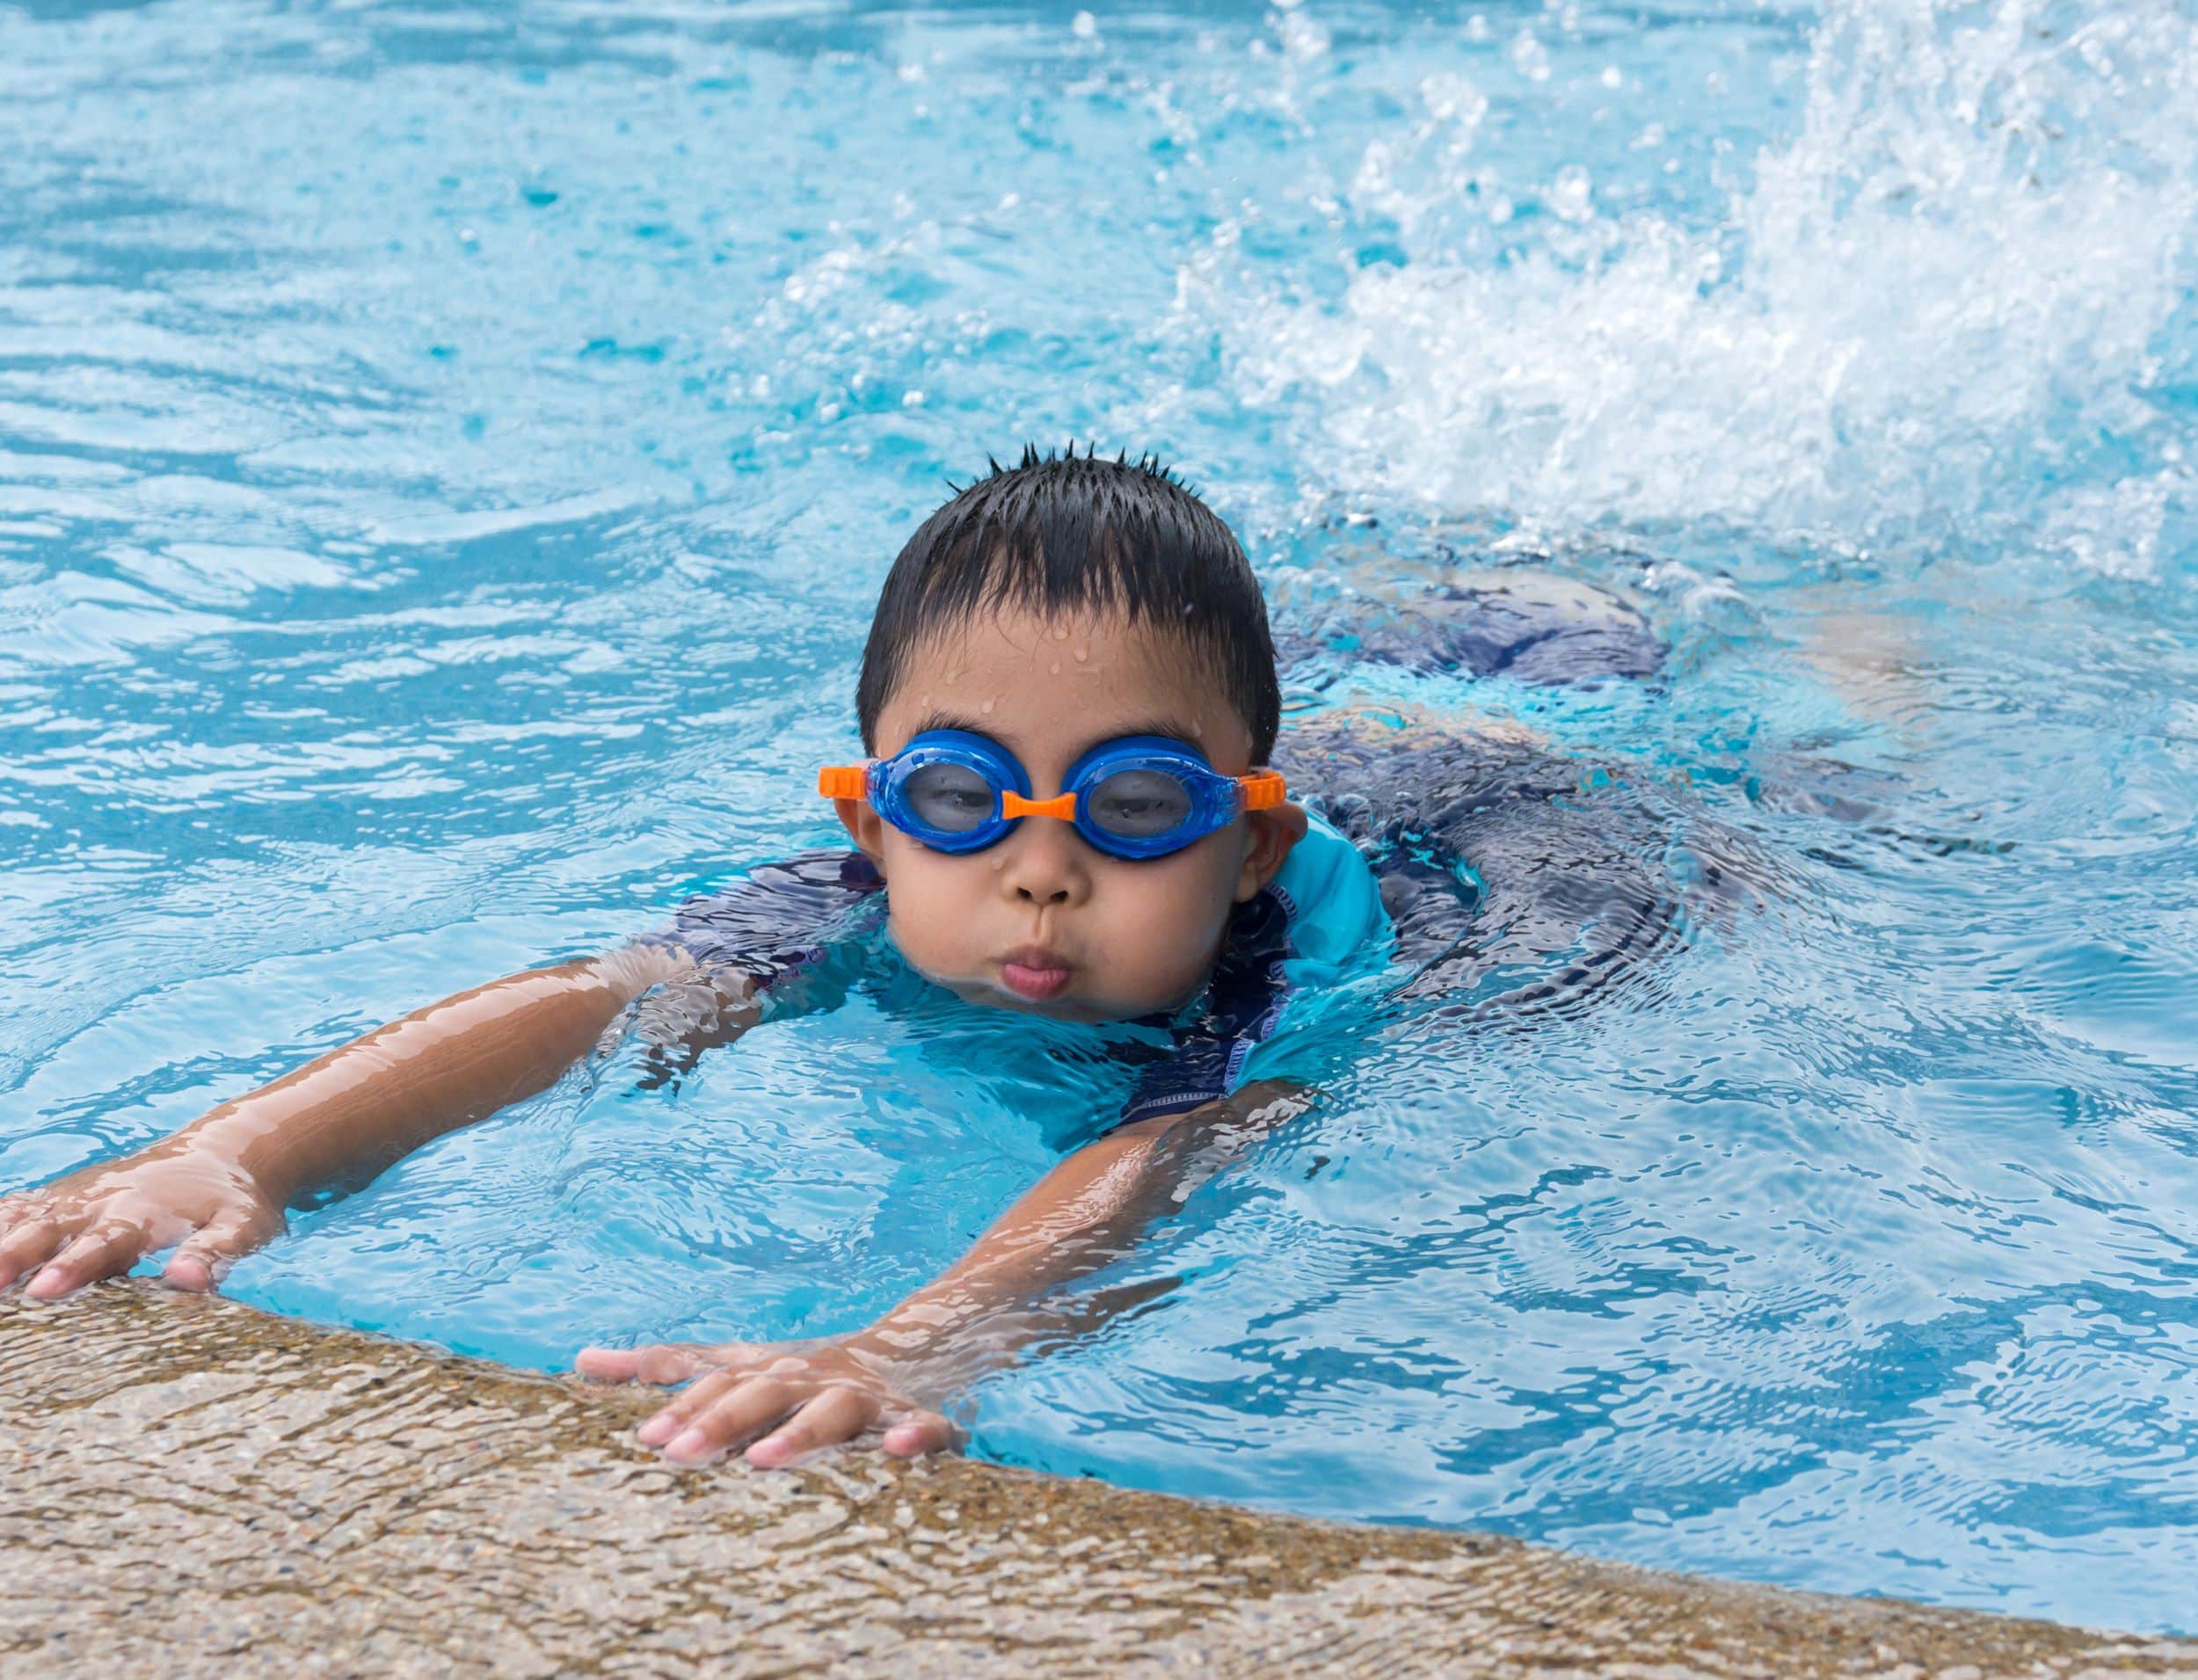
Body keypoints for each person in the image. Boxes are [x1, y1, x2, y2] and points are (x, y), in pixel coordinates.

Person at [0, 448, 1691, 1469]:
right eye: (964, 795)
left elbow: (1149, 1158)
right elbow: (602, 999)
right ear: (874, 826)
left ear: (1244, 843)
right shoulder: (857, 894)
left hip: (1513, 815)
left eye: (1136, 804)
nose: (1041, 870)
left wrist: (917, 1339)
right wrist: (231, 1151)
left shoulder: (1275, 971)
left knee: (1678, 798)